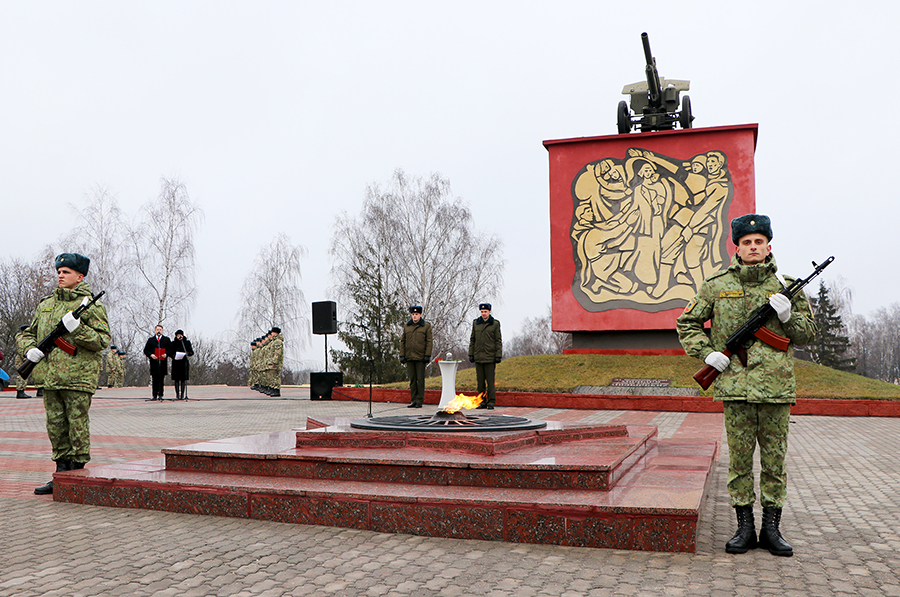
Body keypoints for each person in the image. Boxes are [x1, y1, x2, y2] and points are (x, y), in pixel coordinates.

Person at [676, 214, 817, 557]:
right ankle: (744, 528)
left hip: (775, 391)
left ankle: (771, 530)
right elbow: (687, 322)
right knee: (739, 462)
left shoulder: (788, 286)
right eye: (746, 242)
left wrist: (787, 317)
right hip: (736, 388)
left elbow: (807, 333)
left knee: (773, 462)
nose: (753, 247)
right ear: (736, 248)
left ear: (768, 246)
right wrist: (708, 354)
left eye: (759, 241)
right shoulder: (715, 285)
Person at [22, 252, 110, 495]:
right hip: (50, 377)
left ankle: (77, 476)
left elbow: (102, 340)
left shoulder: (91, 305)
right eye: (59, 272)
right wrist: (29, 350)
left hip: (78, 378)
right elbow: (28, 333)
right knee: (56, 426)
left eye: (66, 272)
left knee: (77, 426)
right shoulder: (46, 304)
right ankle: (61, 476)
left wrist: (78, 330)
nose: (60, 275)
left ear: (80, 276)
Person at [468, 302, 502, 409]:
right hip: (478, 356)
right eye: (482, 312)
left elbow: (498, 340)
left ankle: (491, 401)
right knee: (480, 381)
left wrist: (498, 355)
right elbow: (472, 339)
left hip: (490, 357)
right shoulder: (476, 323)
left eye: (485, 312)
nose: (483, 314)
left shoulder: (495, 324)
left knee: (490, 381)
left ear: (489, 312)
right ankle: (482, 401)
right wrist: (471, 353)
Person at [400, 306, 432, 408]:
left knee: (420, 380)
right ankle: (413, 400)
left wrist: (427, 355)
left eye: (416, 314)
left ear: (420, 315)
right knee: (412, 380)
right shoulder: (407, 326)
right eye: (413, 314)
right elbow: (403, 341)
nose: (414, 316)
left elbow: (429, 342)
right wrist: (402, 355)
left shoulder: (426, 326)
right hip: (409, 357)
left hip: (420, 357)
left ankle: (419, 401)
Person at [143, 325, 171, 401]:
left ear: (162, 331)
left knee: (161, 379)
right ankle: (154, 395)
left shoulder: (166, 340)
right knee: (154, 379)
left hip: (162, 362)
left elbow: (170, 349)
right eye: (157, 329)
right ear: (155, 330)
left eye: (160, 329)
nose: (159, 331)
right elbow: (146, 350)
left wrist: (166, 354)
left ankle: (161, 395)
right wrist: (151, 355)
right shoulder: (151, 340)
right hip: (154, 362)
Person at [169, 329, 194, 400]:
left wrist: (187, 353)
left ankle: (183, 394)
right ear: (176, 336)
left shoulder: (186, 342)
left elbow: (191, 352)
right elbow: (170, 352)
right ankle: (177, 394)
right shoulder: (173, 343)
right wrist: (173, 355)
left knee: (183, 379)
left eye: (181, 335)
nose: (179, 337)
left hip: (184, 363)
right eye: (178, 335)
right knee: (176, 379)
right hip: (176, 363)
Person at [14, 324, 33, 398]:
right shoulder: (21, 338)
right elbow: (21, 349)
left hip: (22, 357)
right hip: (22, 358)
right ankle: (20, 391)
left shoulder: (20, 338)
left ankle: (21, 391)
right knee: (22, 375)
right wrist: (26, 358)